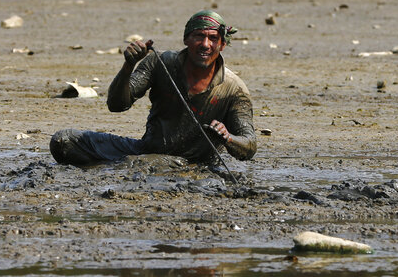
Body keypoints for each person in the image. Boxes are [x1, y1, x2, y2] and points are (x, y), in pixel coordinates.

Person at [50, 10, 257, 167]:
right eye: (198, 36)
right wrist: (128, 65)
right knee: (63, 141)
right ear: (186, 39)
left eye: (213, 38)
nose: (205, 44)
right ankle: (135, 166)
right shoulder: (161, 63)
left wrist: (228, 138)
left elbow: (248, 147)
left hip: (200, 165)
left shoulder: (233, 89)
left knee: (145, 165)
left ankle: (132, 167)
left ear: (222, 44)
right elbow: (117, 105)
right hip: (147, 152)